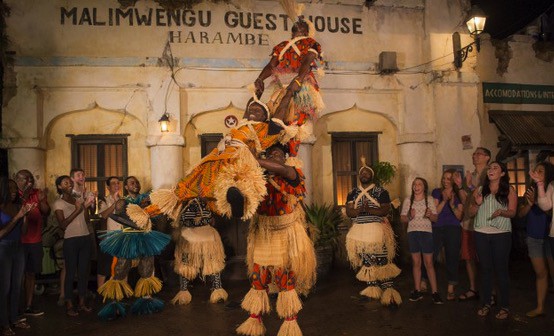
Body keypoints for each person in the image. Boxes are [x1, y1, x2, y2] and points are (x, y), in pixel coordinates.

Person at [143, 96, 294, 223]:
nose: (252, 111)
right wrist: (258, 85)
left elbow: (280, 113)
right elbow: (252, 99)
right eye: (250, 109)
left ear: (264, 117)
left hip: (238, 158)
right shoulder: (241, 125)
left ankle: (237, 207)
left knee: (236, 184)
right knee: (182, 189)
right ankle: (145, 214)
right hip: (214, 159)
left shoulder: (265, 129)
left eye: (258, 110)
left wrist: (292, 89)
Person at [236, 144, 316, 336]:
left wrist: (252, 158)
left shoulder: (292, 173)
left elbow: (280, 169)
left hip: (286, 234)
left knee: (285, 279)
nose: (273, 156)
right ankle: (254, 320)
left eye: (277, 154)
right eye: (270, 153)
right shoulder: (259, 179)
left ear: (285, 157)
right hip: (263, 234)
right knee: (259, 277)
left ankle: (290, 324)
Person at [97, 178, 170, 320]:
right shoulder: (122, 202)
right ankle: (114, 304)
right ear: (126, 186)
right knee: (120, 270)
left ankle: (146, 302)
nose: (135, 185)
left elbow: (155, 217)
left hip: (144, 238)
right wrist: (138, 213)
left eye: (137, 182)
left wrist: (147, 210)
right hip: (128, 238)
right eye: (132, 183)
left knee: (147, 269)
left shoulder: (147, 198)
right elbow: (118, 217)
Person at [254, 10, 323, 157]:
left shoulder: (305, 44)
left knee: (295, 124)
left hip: (299, 86)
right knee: (279, 120)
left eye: (300, 27)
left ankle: (292, 158)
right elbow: (272, 66)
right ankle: (280, 154)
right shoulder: (287, 45)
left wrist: (298, 79)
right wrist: (260, 79)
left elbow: (306, 61)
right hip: (285, 87)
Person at [345, 157, 402, 306]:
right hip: (359, 232)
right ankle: (372, 290)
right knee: (367, 261)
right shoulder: (353, 192)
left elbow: (385, 209)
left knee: (382, 260)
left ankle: (389, 291)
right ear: (359, 175)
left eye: (367, 172)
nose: (364, 174)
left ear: (372, 175)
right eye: (362, 172)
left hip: (377, 230)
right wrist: (359, 210)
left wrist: (369, 209)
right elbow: (349, 212)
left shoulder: (381, 191)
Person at [470, 161, 517, 320]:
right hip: (481, 233)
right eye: (490, 168)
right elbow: (470, 213)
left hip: (501, 234)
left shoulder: (509, 190)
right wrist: (476, 205)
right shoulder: (480, 190)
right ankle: (486, 303)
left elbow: (512, 212)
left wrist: (502, 212)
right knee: (485, 270)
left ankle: (504, 306)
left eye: (495, 168)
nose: (491, 170)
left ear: (502, 173)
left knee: (501, 270)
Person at [170, 197, 227, 306]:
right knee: (185, 265)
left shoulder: (208, 201)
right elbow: (180, 219)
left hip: (207, 237)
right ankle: (183, 292)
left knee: (213, 264)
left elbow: (212, 217)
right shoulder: (184, 201)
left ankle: (217, 291)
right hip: (188, 238)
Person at [53, 175, 95, 317]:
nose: (69, 184)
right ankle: (69, 304)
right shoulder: (58, 203)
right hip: (70, 240)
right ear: (59, 186)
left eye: (70, 182)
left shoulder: (78, 199)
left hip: (85, 238)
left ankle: (82, 303)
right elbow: (62, 225)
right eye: (66, 183)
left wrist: (87, 207)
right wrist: (77, 210)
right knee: (70, 273)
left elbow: (87, 219)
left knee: (83, 272)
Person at [453, 147, 491, 301]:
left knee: (486, 259)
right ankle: (473, 289)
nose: (475, 156)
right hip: (469, 222)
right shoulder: (471, 175)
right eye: (474, 154)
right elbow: (465, 200)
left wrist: (468, 186)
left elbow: (486, 195)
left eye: (479, 154)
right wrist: (460, 186)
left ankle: (491, 292)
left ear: (487, 157)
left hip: (484, 222)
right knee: (469, 257)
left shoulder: (490, 173)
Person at [518, 162, 554, 318]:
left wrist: (538, 202)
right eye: (536, 170)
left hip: (549, 236)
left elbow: (550, 212)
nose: (537, 173)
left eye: (541, 171)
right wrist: (530, 203)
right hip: (534, 236)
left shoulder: (551, 188)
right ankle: (540, 307)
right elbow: (520, 214)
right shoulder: (530, 190)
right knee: (540, 273)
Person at [1, 178, 35, 336]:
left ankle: (14, 319)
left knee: (16, 286)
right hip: (4, 248)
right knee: (4, 288)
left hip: (18, 247)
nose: (14, 190)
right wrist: (17, 217)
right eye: (10, 188)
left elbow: (24, 231)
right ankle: (4, 324)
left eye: (15, 188)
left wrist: (25, 215)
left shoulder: (16, 206)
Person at [401, 177, 442, 304]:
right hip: (413, 233)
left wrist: (430, 215)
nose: (416, 186)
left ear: (424, 187)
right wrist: (409, 216)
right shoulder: (408, 200)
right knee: (416, 262)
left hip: (426, 233)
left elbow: (435, 219)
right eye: (414, 184)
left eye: (419, 184)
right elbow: (402, 219)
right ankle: (417, 290)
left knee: (429, 263)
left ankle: (435, 292)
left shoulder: (429, 199)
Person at [15, 170, 50, 317]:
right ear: (16, 179)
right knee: (17, 275)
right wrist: (24, 196)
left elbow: (46, 212)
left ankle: (28, 306)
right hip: (18, 242)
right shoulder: (13, 193)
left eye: (30, 179)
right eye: (24, 179)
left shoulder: (37, 193)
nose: (29, 182)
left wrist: (41, 200)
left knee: (31, 273)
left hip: (35, 240)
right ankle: (14, 307)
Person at [431, 169, 464, 301]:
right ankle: (423, 280)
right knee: (430, 254)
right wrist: (444, 201)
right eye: (444, 178)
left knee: (452, 257)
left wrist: (452, 205)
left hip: (453, 228)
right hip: (437, 227)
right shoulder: (436, 192)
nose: (445, 181)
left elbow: (460, 216)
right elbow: (435, 213)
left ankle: (451, 286)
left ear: (454, 181)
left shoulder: (458, 194)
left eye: (448, 178)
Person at [97, 176, 122, 289]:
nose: (116, 185)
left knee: (121, 265)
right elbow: (104, 215)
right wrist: (115, 203)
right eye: (113, 183)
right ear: (108, 187)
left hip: (122, 236)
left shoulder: (124, 200)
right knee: (105, 265)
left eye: (118, 182)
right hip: (109, 237)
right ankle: (101, 290)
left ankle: (119, 290)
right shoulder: (104, 200)